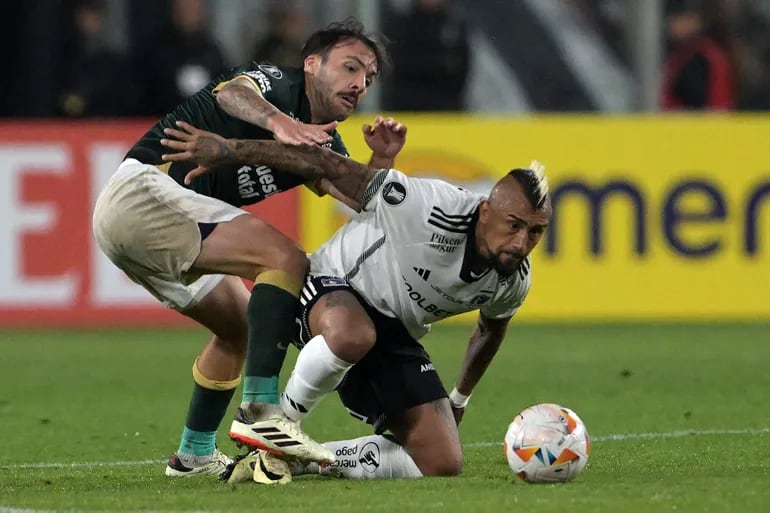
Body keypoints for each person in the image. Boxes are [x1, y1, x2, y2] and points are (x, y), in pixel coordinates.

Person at [92, 19, 402, 479]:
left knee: (241, 328)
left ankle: (193, 454)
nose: (358, 83)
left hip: (152, 224)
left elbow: (363, 203)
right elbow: (228, 94)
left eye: (368, 78)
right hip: (143, 194)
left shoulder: (323, 141)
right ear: (312, 65)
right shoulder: (278, 84)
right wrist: (280, 122)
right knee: (285, 259)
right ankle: (262, 413)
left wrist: (381, 162)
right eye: (350, 67)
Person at [159, 122, 551, 481]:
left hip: (392, 333)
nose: (522, 243)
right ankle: (273, 430)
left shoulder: (514, 279)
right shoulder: (430, 207)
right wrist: (231, 150)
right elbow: (325, 165)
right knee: (353, 333)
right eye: (514, 225)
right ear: (485, 211)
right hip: (328, 284)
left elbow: (490, 329)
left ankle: (311, 460)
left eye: (535, 232)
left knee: (441, 463)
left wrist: (459, 398)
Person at [661, 0, 737, 110]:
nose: (671, 25)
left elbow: (698, 103)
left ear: (694, 21)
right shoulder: (691, 52)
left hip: (699, 124)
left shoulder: (700, 56)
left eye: (677, 19)